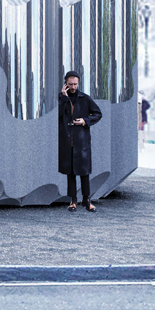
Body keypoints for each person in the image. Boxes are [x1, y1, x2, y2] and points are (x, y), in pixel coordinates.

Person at [58, 70, 102, 212]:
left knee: (84, 172)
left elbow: (98, 113)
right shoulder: (60, 98)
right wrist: (64, 98)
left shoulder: (85, 98)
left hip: (82, 140)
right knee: (70, 172)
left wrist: (85, 120)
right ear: (65, 84)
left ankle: (86, 199)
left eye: (75, 84)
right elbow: (58, 115)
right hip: (67, 140)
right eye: (70, 84)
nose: (73, 87)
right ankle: (73, 201)